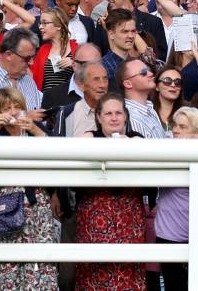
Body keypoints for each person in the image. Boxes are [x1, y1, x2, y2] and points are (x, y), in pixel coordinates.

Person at [0, 86, 56, 289]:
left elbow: (57, 153)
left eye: (17, 106)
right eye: (6, 108)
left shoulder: (36, 130)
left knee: (40, 266)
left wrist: (34, 129)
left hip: (37, 204)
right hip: (5, 206)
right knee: (5, 267)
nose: (13, 112)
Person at [74, 94, 145, 289]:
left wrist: (125, 144)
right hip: (94, 216)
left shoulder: (136, 139)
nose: (114, 118)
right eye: (108, 113)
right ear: (99, 117)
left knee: (128, 270)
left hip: (129, 217)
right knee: (94, 270)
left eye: (118, 113)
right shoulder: (89, 137)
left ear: (125, 116)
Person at [32, 6, 77, 91]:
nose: (40, 27)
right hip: (47, 100)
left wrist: (74, 64)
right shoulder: (42, 50)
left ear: (59, 26)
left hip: (69, 101)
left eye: (45, 23)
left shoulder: (77, 49)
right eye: (40, 23)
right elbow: (34, 79)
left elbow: (89, 74)